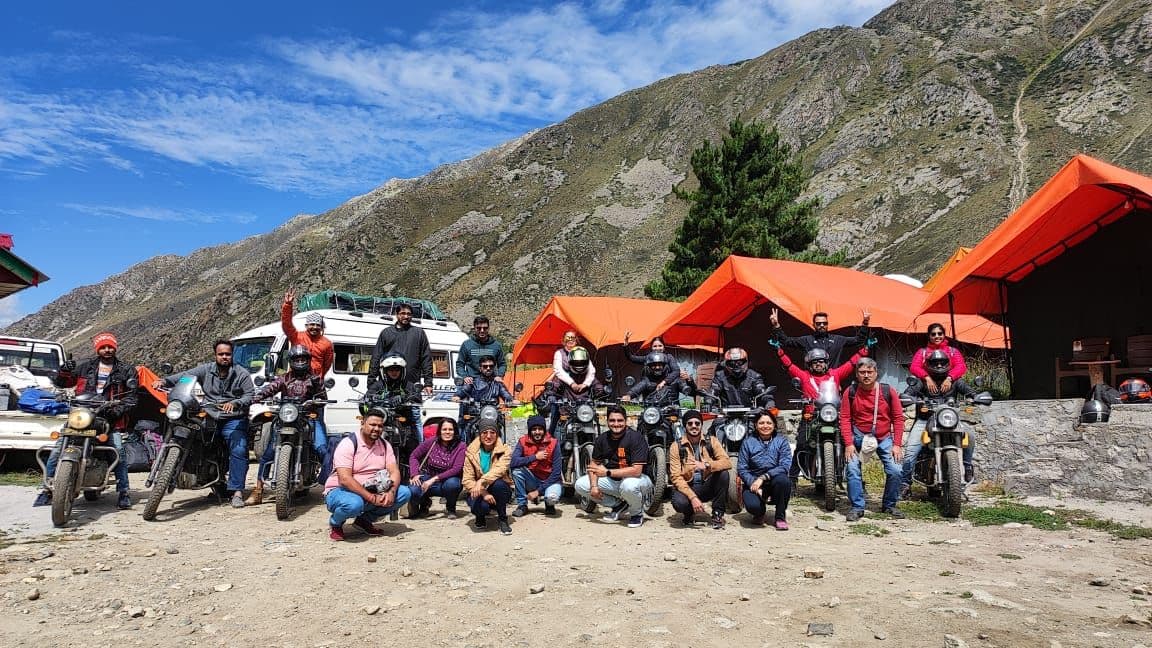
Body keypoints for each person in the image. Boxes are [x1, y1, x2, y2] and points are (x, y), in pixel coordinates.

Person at [34, 332, 138, 509]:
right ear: (98, 349)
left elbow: (132, 398)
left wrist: (116, 410)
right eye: (103, 347)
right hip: (81, 413)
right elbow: (62, 383)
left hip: (108, 417)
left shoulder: (126, 370)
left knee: (118, 452)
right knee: (58, 448)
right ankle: (47, 489)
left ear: (115, 348)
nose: (107, 350)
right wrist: (64, 370)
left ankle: (124, 491)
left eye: (110, 347)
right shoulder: (85, 367)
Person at [153, 339, 255, 508]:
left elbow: (250, 395)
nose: (224, 357)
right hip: (211, 414)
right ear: (215, 355)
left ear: (232, 355)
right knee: (198, 440)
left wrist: (236, 403)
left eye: (227, 354)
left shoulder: (241, 373)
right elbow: (186, 375)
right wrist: (164, 381)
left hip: (233, 418)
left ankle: (237, 491)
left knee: (239, 448)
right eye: (221, 354)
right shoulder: (206, 369)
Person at [770, 341, 867, 481]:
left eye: (821, 361)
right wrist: (780, 351)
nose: (818, 364)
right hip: (811, 416)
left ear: (826, 363)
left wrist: (865, 349)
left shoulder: (835, 374)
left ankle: (857, 478)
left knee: (850, 442)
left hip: (833, 414)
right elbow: (789, 365)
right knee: (801, 444)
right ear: (809, 365)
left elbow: (851, 364)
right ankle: (792, 480)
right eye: (814, 362)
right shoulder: (804, 376)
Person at [245, 345, 328, 506]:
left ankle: (331, 487)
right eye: (297, 359)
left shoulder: (315, 379)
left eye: (303, 359)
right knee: (268, 453)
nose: (300, 362)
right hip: (287, 417)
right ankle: (258, 490)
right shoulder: (284, 378)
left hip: (307, 416)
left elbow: (322, 397)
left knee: (321, 447)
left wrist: (317, 401)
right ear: (291, 361)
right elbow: (271, 388)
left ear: (308, 360)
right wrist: (257, 396)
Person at [323, 411, 413, 540]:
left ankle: (363, 521)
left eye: (380, 426)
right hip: (341, 490)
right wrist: (371, 498)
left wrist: (391, 492)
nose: (376, 429)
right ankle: (336, 523)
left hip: (373, 488)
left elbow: (394, 471)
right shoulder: (348, 444)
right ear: (362, 423)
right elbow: (345, 479)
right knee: (354, 504)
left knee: (404, 492)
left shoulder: (385, 445)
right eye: (372, 424)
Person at [901, 349, 978, 497]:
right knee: (911, 450)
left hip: (950, 420)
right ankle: (905, 484)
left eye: (942, 362)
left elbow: (969, 391)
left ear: (948, 363)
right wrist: (908, 398)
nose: (939, 365)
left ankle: (967, 467)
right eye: (935, 362)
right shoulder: (921, 382)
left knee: (970, 435)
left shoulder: (955, 381)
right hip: (925, 421)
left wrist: (976, 396)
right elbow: (907, 394)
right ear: (928, 364)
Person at [840, 358, 905, 522]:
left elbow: (898, 418)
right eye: (862, 372)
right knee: (853, 469)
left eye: (870, 372)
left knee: (896, 470)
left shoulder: (887, 391)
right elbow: (845, 418)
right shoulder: (851, 392)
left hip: (884, 438)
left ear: (876, 373)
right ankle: (857, 507)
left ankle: (889, 505)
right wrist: (848, 443)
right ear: (857, 374)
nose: (866, 375)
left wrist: (897, 444)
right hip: (858, 436)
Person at [280, 288, 335, 480]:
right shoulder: (297, 337)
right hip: (292, 389)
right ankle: (261, 483)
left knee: (318, 435)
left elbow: (327, 365)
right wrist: (288, 305)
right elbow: (286, 325)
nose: (313, 327)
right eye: (310, 324)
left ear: (321, 327)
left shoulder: (327, 343)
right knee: (278, 431)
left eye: (316, 325)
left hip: (314, 392)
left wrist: (316, 379)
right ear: (306, 325)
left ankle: (326, 476)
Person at [573, 404, 653, 528]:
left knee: (629, 486)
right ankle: (617, 505)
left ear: (626, 421)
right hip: (614, 481)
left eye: (620, 420)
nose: (616, 424)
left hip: (639, 480)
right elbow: (594, 464)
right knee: (581, 484)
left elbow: (637, 471)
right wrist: (594, 486)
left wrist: (607, 472)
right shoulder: (602, 439)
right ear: (607, 421)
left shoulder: (636, 437)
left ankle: (636, 514)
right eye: (612, 420)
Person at [668, 409, 731, 528]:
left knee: (723, 474)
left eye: (697, 423)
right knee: (679, 503)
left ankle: (717, 514)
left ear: (701, 425)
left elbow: (727, 462)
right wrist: (693, 498)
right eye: (690, 423)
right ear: (685, 425)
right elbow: (676, 477)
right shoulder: (676, 446)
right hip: (688, 486)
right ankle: (689, 513)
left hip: (706, 484)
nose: (694, 426)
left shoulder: (711, 441)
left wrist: (708, 465)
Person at [737, 410, 792, 529]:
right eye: (761, 423)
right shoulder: (748, 443)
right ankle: (759, 513)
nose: (765, 426)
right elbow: (742, 468)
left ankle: (780, 517)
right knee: (753, 506)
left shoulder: (781, 441)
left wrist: (763, 478)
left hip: (774, 480)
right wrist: (753, 482)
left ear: (774, 425)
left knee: (784, 481)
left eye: (769, 423)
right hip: (754, 481)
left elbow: (784, 465)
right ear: (756, 425)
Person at [770, 307, 871, 366]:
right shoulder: (806, 340)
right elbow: (786, 341)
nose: (822, 325)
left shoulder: (837, 339)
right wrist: (776, 326)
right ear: (813, 325)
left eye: (824, 323)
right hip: (812, 381)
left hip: (833, 379)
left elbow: (858, 340)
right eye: (818, 323)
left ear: (827, 324)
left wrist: (865, 323)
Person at [368, 303, 433, 396]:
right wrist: (371, 382)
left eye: (409, 314)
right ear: (397, 314)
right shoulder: (386, 333)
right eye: (403, 313)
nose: (406, 316)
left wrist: (428, 383)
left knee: (413, 409)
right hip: (388, 387)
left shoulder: (419, 333)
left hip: (411, 386)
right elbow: (376, 358)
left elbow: (426, 359)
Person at [462, 419, 514, 534]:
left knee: (499, 484)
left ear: (497, 434)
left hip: (497, 488)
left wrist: (481, 480)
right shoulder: (471, 452)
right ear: (479, 435)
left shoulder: (505, 450)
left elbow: (499, 470)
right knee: (480, 507)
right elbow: (467, 479)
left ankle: (502, 518)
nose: (488, 436)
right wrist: (483, 492)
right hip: (477, 490)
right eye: (484, 433)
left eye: (492, 432)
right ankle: (480, 516)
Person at [407, 418, 466, 518]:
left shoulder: (461, 446)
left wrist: (433, 480)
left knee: (453, 485)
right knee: (413, 489)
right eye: (444, 429)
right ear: (440, 431)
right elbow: (414, 456)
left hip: (448, 481)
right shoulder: (432, 442)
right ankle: (424, 504)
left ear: (455, 431)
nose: (447, 432)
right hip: (428, 477)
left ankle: (451, 508)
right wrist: (414, 474)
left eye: (450, 430)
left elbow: (457, 468)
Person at [452, 355, 517, 441]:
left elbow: (506, 395)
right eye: (485, 366)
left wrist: (512, 400)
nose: (488, 368)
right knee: (468, 430)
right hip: (477, 417)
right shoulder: (473, 383)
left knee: (502, 431)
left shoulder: (498, 383)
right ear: (480, 368)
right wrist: (457, 396)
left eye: (491, 366)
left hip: (493, 417)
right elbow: (463, 391)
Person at [510, 415, 562, 517]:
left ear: (544, 430)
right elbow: (513, 462)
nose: (537, 432)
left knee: (552, 498)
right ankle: (522, 505)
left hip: (550, 480)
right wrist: (534, 457)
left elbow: (556, 473)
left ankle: (549, 505)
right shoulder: (522, 441)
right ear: (530, 431)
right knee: (516, 471)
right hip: (532, 479)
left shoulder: (554, 443)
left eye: (540, 429)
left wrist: (538, 492)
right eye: (534, 429)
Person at [908, 323, 967, 395]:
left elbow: (961, 366)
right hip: (928, 387)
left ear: (944, 335)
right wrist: (927, 378)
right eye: (933, 334)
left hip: (948, 386)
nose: (937, 336)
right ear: (929, 336)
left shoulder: (952, 351)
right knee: (916, 382)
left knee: (960, 381)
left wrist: (949, 378)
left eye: (939, 333)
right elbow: (914, 367)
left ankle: (976, 397)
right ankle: (904, 399)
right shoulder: (922, 352)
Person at [620, 352, 696, 405]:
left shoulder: (674, 379)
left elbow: (692, 392)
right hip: (652, 413)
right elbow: (638, 388)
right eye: (654, 365)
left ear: (664, 365)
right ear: (649, 367)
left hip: (672, 413)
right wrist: (629, 395)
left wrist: (689, 381)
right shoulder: (648, 380)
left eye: (660, 365)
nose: (657, 367)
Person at [456, 315, 505, 383]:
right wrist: (465, 376)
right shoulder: (466, 345)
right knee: (459, 393)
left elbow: (502, 364)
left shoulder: (496, 345)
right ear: (474, 328)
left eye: (485, 328)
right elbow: (460, 364)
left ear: (488, 328)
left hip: (491, 383)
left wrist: (499, 375)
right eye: (479, 328)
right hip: (472, 383)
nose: (482, 331)